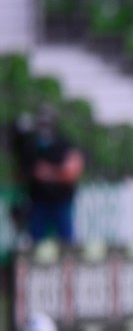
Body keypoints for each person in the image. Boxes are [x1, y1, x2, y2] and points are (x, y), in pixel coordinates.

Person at [10, 104, 84, 245]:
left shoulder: (63, 144)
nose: (44, 126)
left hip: (60, 199)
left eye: (47, 122)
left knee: (66, 241)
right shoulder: (31, 145)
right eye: (41, 122)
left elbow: (72, 170)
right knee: (36, 240)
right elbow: (24, 168)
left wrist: (51, 172)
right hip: (38, 200)